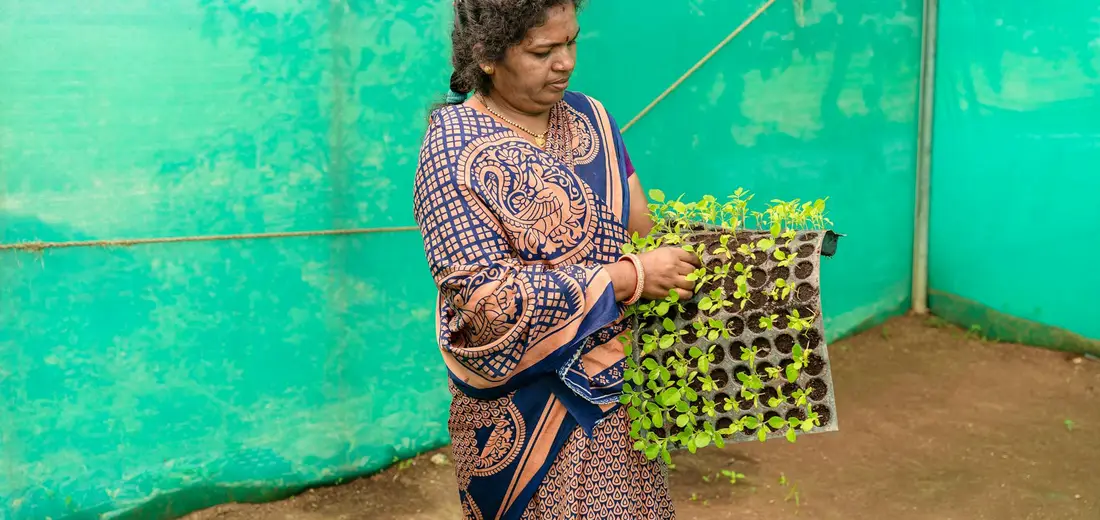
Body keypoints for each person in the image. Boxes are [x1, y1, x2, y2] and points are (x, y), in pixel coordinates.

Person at [412, 1, 700, 518]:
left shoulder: (591, 119)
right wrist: (629, 277)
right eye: (543, 50)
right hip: (524, 418)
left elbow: (642, 231)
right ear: (486, 55)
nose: (565, 62)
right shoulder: (452, 149)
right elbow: (484, 300)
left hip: (617, 405)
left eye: (572, 42)